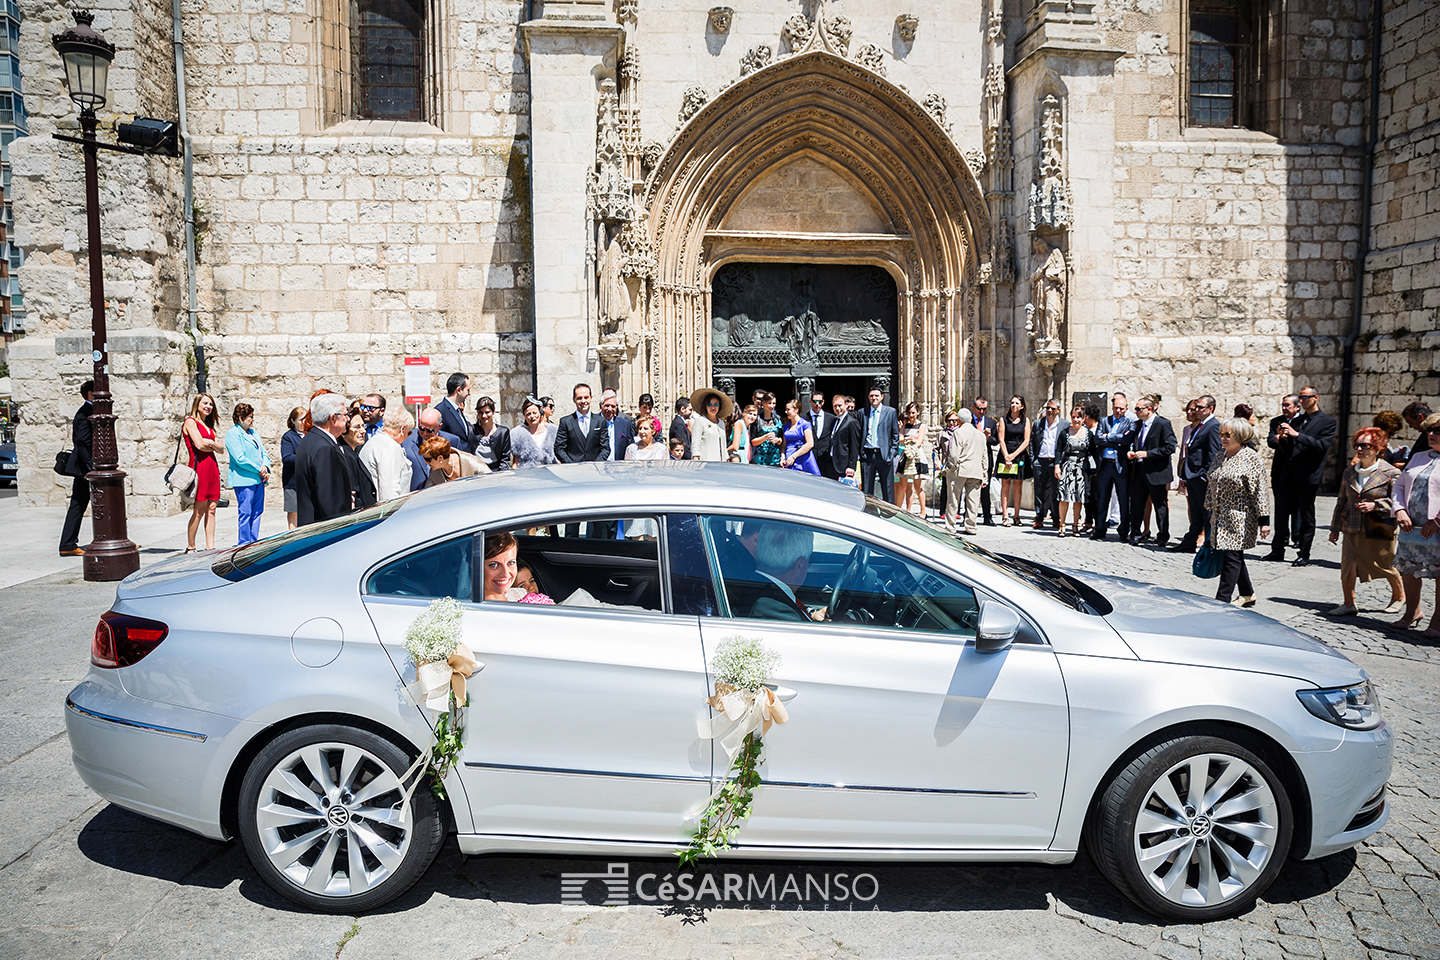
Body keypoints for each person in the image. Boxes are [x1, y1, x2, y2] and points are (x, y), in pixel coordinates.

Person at [1327, 427, 1405, 617]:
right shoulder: (1349, 472)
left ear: (1378, 448)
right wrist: (1334, 528)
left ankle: (1399, 596)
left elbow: (1399, 501)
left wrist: (1376, 505)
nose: (1360, 449)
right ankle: (1349, 603)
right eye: (1357, 445)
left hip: (1379, 525)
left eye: (1365, 445)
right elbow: (1341, 501)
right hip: (1351, 525)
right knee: (1348, 564)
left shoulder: (1391, 472)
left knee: (1384, 563)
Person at [1266, 385, 1337, 567]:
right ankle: (1277, 549)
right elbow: (1288, 448)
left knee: (1306, 516)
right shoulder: (1296, 421)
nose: (1303, 400)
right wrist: (1283, 438)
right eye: (1301, 397)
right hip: (1287, 473)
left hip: (1308, 475)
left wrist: (1296, 435)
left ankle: (1304, 553)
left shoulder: (1327, 422)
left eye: (1306, 397)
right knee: (1281, 513)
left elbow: (1321, 446)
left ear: (1316, 398)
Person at [1203, 418, 1271, 607]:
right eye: (1221, 434)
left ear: (1240, 436)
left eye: (1228, 435)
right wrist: (1210, 512)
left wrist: (1264, 520)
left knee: (1231, 557)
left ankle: (1221, 601)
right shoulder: (1221, 455)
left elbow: (1260, 491)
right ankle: (1247, 593)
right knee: (1233, 556)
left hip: (1240, 517)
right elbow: (1212, 482)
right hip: (1219, 516)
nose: (1223, 438)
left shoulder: (1251, 458)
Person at [1391, 415, 1440, 637]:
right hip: (1412, 528)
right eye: (1430, 430)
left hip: (1436, 529)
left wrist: (1437, 521)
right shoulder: (1419, 456)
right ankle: (1412, 612)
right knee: (1409, 571)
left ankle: (1438, 620)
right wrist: (1399, 510)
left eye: (1438, 430)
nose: (1431, 434)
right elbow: (1399, 485)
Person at [1171, 395, 1221, 554]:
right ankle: (1189, 543)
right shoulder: (1199, 426)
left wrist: (1204, 476)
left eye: (1201, 407)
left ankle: (1209, 547)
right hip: (1192, 476)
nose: (1196, 410)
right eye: (1196, 407)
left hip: (1201, 478)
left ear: (1210, 409)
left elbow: (1213, 454)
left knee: (1206, 515)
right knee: (1196, 514)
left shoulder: (1213, 426)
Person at [294, 393, 354, 526]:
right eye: (345, 415)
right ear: (332, 418)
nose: (347, 420)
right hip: (324, 530)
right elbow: (330, 503)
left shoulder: (310, 439)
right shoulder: (325, 449)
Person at [1125, 396, 1177, 547]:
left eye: (1138, 409)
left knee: (1160, 505)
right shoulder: (1137, 425)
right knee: (1136, 504)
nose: (1136, 411)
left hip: (1156, 472)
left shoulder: (1163, 424)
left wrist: (1148, 454)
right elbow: (1134, 443)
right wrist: (1132, 452)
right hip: (1139, 470)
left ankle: (1162, 535)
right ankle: (1135, 533)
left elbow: (1169, 447)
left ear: (1149, 409)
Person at [748, 524, 818, 622]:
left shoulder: (749, 584)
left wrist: (810, 613)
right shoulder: (778, 611)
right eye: (808, 561)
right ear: (800, 565)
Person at [182, 393, 225, 552]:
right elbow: (199, 445)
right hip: (199, 467)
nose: (208, 407)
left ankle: (210, 546)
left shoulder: (208, 426)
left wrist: (211, 443)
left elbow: (221, 450)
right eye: (205, 403)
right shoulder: (190, 421)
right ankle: (191, 545)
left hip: (212, 467)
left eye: (211, 404)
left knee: (212, 508)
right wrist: (213, 444)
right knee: (199, 510)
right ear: (197, 404)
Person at [225, 402, 271, 547]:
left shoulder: (253, 433)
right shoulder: (233, 434)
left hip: (258, 479)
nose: (252, 419)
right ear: (240, 417)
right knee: (246, 512)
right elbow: (239, 458)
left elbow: (263, 452)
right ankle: (244, 543)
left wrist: (265, 466)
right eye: (250, 417)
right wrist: (258, 468)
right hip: (244, 480)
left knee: (257, 511)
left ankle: (253, 541)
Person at [1091, 393, 1136, 542]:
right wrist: (1117, 439)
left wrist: (1109, 436)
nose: (1118, 411)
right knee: (1102, 498)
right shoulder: (1104, 420)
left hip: (1121, 466)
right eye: (1116, 408)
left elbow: (1127, 440)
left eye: (1121, 409)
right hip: (1105, 465)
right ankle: (1100, 529)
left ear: (1126, 409)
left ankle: (1123, 531)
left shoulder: (1130, 423)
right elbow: (1097, 439)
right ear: (1112, 407)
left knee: (1123, 500)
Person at [58, 380, 95, 557]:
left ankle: (68, 543)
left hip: (85, 468)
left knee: (80, 504)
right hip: (84, 469)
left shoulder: (88, 411)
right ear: (90, 394)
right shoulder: (85, 412)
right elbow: (82, 441)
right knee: (78, 505)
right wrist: (91, 467)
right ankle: (67, 544)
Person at [939, 409, 986, 535]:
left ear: (959, 420)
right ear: (971, 419)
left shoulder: (958, 433)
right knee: (973, 501)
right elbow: (984, 457)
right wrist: (984, 474)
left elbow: (954, 455)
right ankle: (971, 526)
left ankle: (950, 526)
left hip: (959, 470)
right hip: (976, 471)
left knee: (953, 499)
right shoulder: (980, 435)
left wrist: (949, 468)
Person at [1265, 394, 1301, 552]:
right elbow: (1271, 441)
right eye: (1283, 405)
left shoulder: (1303, 422)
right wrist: (1279, 438)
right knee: (1280, 505)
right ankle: (1282, 536)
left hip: (1297, 469)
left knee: (1298, 505)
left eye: (1288, 405)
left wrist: (1289, 437)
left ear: (1297, 407)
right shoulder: (1276, 421)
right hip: (1280, 469)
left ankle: (1298, 537)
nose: (1285, 408)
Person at [359, 407, 415, 502]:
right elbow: (389, 491)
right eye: (408, 433)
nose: (408, 436)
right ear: (402, 429)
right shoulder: (391, 447)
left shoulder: (373, 441)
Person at [403, 409, 463, 490]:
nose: (425, 433)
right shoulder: (405, 440)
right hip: (416, 495)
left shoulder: (452, 441)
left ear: (439, 426)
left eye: (430, 430)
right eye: (421, 428)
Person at [554, 383, 610, 463]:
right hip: (573, 471)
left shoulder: (600, 421)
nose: (583, 401)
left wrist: (596, 464)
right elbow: (559, 448)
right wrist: (571, 465)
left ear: (591, 398)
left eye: (586, 397)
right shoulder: (565, 422)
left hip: (595, 470)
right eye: (579, 398)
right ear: (574, 400)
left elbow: (605, 448)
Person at [860, 387, 900, 501]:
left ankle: (889, 515)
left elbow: (895, 434)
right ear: (868, 397)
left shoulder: (890, 412)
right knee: (867, 490)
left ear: (882, 397)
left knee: (887, 488)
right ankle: (869, 512)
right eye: (872, 396)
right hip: (867, 454)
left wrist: (892, 453)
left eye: (876, 396)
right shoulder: (862, 412)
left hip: (884, 455)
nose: (874, 398)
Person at [1029, 398, 1063, 530]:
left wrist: (1060, 462)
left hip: (1055, 462)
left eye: (1052, 408)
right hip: (1040, 461)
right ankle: (1039, 517)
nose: (1049, 411)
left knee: (1055, 491)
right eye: (1048, 408)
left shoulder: (1064, 424)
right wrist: (1033, 459)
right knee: (1039, 491)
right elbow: (1032, 441)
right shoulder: (1038, 423)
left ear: (1058, 410)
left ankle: (1056, 517)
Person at [997, 395, 1030, 526]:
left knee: (1018, 486)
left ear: (1022, 406)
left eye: (1017, 403)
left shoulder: (1025, 420)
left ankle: (1017, 515)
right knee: (1005, 485)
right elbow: (1001, 439)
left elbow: (1026, 440)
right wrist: (1007, 456)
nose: (1014, 405)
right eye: (1012, 403)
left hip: (1019, 455)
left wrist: (1014, 455)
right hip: (1005, 454)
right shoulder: (1003, 420)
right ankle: (1005, 515)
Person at [895, 402, 928, 516]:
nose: (911, 415)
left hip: (916, 456)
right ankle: (897, 510)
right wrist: (910, 438)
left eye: (913, 413)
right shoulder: (905, 426)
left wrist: (905, 438)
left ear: (918, 412)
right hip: (905, 456)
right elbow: (899, 439)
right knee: (901, 486)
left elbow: (919, 442)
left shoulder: (921, 425)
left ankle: (923, 511)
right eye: (909, 413)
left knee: (917, 486)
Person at [341, 407, 378, 509]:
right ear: (344, 430)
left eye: (363, 426)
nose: (363, 431)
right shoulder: (346, 455)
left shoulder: (353, 452)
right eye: (357, 427)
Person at [971, 397, 999, 525]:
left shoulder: (990, 423)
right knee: (969, 489)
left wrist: (987, 438)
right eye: (979, 409)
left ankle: (987, 516)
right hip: (970, 458)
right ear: (973, 407)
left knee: (985, 488)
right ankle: (969, 517)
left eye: (984, 409)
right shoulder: (968, 421)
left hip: (985, 459)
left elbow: (996, 440)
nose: (982, 411)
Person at [511, 397, 558, 469]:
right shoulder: (518, 434)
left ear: (540, 412)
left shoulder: (552, 432)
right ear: (524, 416)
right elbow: (515, 463)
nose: (532, 416)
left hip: (551, 473)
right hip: (528, 475)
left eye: (534, 413)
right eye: (528, 414)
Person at [280, 406, 306, 529]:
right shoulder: (288, 437)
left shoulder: (310, 434)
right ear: (292, 421)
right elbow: (287, 458)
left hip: (307, 480)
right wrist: (306, 457)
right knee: (293, 511)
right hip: (293, 481)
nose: (304, 422)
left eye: (306, 419)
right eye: (301, 420)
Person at [688, 388, 731, 461]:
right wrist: (695, 459)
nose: (713, 407)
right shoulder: (700, 421)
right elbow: (696, 443)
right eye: (710, 404)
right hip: (706, 462)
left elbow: (723, 445)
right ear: (706, 406)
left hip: (721, 463)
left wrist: (726, 459)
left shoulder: (721, 423)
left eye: (716, 404)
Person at [780, 398, 821, 475]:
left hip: (802, 458)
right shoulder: (786, 427)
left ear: (796, 410)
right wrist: (782, 457)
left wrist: (794, 456)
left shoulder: (805, 424)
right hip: (788, 459)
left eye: (788, 409)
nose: (786, 412)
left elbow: (810, 443)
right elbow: (783, 446)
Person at [436, 373, 475, 452]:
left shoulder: (457, 410)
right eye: (467, 390)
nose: (469, 393)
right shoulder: (441, 411)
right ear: (459, 390)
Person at [828, 393, 862, 482]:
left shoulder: (852, 422)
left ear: (846, 405)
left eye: (840, 405)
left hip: (844, 465)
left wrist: (851, 466)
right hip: (832, 463)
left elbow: (854, 445)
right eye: (835, 406)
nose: (838, 408)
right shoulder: (834, 421)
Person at [473, 396, 511, 472]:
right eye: (481, 412)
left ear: (493, 411)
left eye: (487, 412)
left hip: (496, 473)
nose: (484, 416)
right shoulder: (472, 431)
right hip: (476, 473)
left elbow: (505, 459)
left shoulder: (503, 432)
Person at [808, 391, 838, 479]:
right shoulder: (804, 418)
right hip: (810, 459)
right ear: (810, 402)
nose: (817, 404)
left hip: (826, 460)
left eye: (820, 401)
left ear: (823, 402)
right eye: (814, 401)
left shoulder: (832, 418)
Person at [750, 392, 785, 467]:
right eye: (769, 403)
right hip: (760, 458)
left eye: (774, 403)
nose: (772, 406)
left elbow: (781, 438)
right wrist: (765, 437)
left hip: (775, 458)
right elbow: (753, 442)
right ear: (763, 403)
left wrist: (778, 440)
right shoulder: (757, 419)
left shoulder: (777, 419)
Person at [600, 389, 636, 463]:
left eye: (613, 406)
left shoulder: (625, 424)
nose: (610, 409)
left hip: (619, 468)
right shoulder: (594, 422)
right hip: (598, 467)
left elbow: (630, 447)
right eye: (607, 405)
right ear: (600, 405)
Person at [1401, 402, 1432, 466]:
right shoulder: (1425, 434)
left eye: (1410, 422)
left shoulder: (1431, 435)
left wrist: (1404, 466)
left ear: (1420, 417)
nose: (1410, 426)